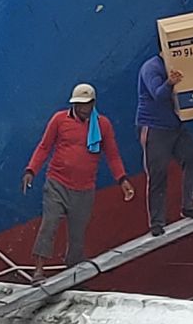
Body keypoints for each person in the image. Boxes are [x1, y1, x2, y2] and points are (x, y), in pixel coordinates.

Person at [22, 83, 134, 281]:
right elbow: (44, 147)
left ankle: (73, 273)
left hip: (84, 188)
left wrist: (122, 180)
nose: (81, 108)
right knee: (49, 224)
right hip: (57, 182)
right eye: (78, 104)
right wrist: (31, 170)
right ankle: (38, 270)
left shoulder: (102, 125)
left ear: (93, 104)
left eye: (85, 104)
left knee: (77, 234)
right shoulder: (59, 120)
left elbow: (112, 155)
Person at [137, 52, 193, 236]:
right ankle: (156, 222)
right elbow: (158, 95)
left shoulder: (181, 65)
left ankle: (188, 205)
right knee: (158, 174)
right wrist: (170, 83)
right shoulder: (151, 68)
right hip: (154, 127)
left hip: (176, 124)